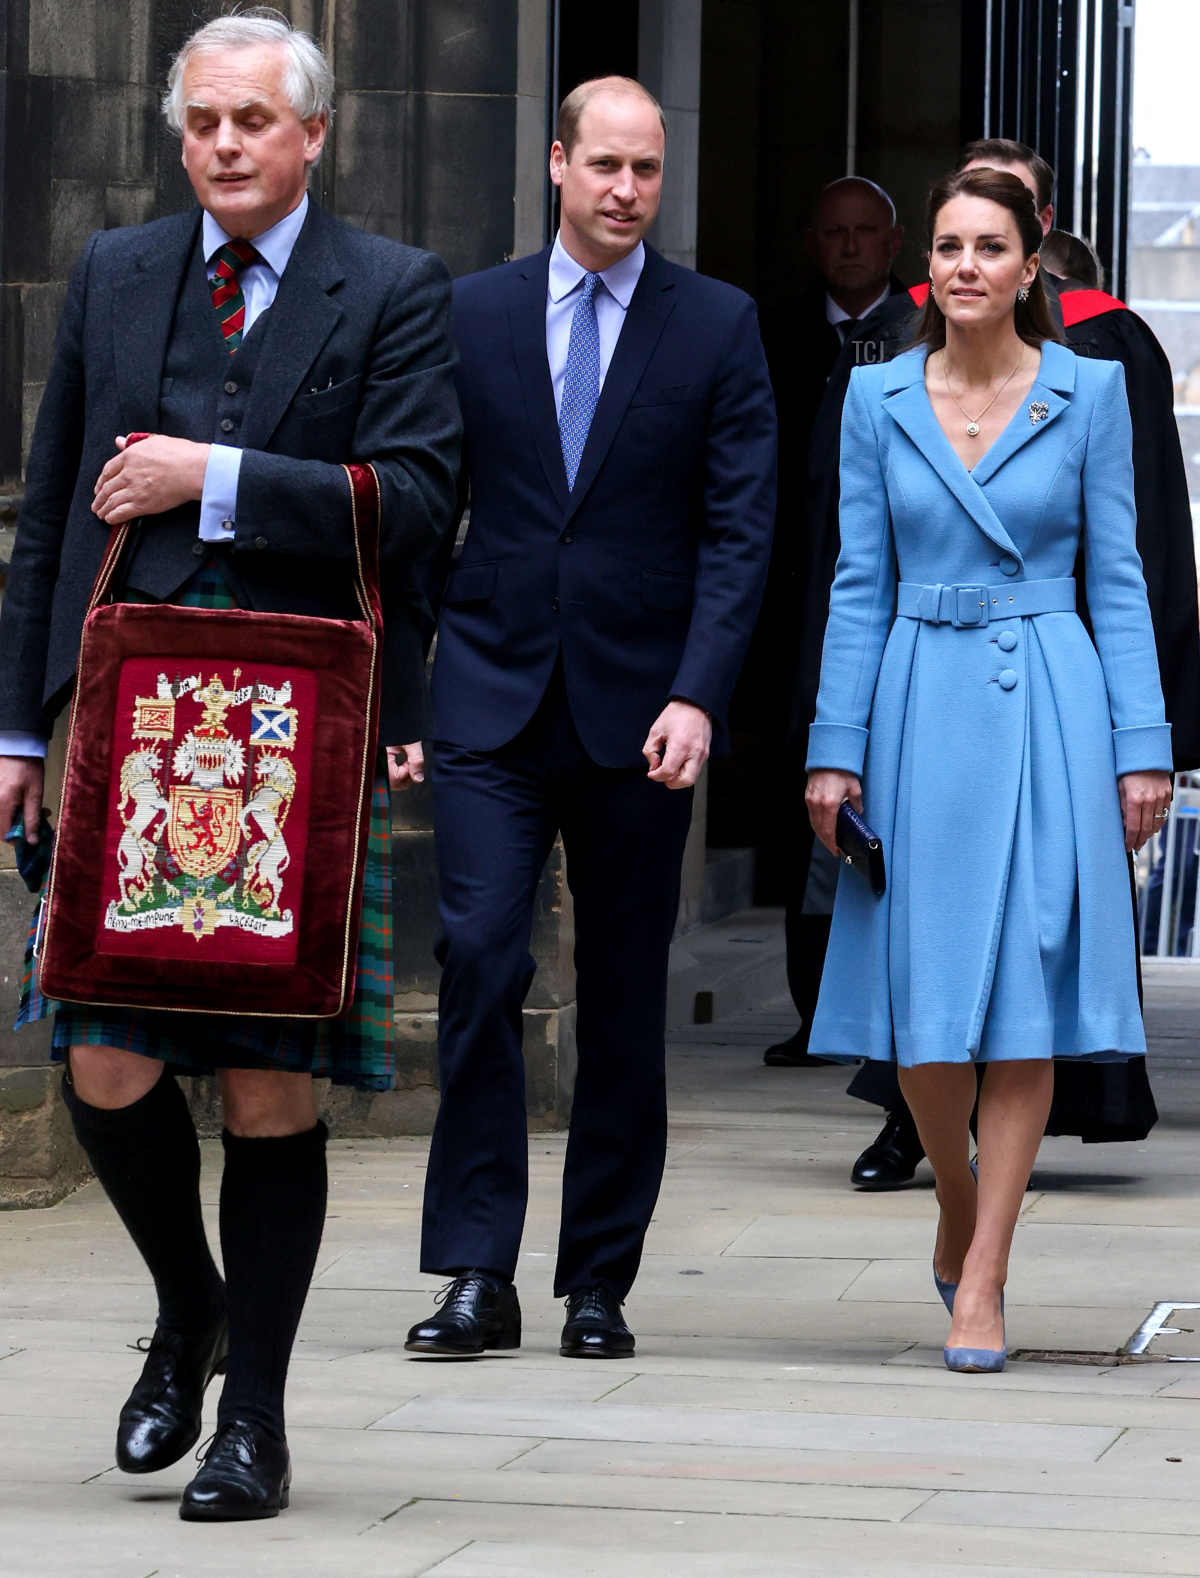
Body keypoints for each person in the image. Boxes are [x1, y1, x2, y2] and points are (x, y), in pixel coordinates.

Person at [0, 11, 459, 1518]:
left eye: (253, 121)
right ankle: (187, 1303)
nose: (224, 145)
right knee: (103, 1062)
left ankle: (251, 1417)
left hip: (295, 729)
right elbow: (56, 506)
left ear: (312, 133)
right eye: (202, 122)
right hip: (118, 720)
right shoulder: (119, 272)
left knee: (270, 1088)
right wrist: (17, 725)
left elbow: (419, 504)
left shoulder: (392, 287)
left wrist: (222, 477)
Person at [406, 76, 775, 1361]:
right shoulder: (471, 312)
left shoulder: (717, 325)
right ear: (558, 163)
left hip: (642, 714)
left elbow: (742, 531)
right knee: (480, 962)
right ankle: (472, 1271)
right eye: (605, 165)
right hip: (489, 702)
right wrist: (408, 686)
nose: (626, 191)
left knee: (623, 993)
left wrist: (700, 693)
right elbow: (417, 507)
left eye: (648, 170)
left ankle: (597, 1282)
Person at [804, 166, 1172, 1372]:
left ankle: (990, 1275)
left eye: (990, 247)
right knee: (921, 1023)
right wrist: (832, 752)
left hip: (1049, 705)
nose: (965, 266)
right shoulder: (877, 399)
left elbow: (1117, 580)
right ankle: (957, 1201)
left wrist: (1143, 751)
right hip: (916, 700)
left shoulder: (1091, 391)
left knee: (1021, 1003)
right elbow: (856, 585)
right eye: (949, 247)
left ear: (1031, 268)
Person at [749, 179, 906, 1070]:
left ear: (893, 243)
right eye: (833, 233)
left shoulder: (923, 338)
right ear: (812, 242)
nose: (849, 248)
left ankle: (875, 1010)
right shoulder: (772, 334)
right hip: (793, 607)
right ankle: (815, 1009)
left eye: (865, 233)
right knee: (798, 809)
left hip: (892, 610)